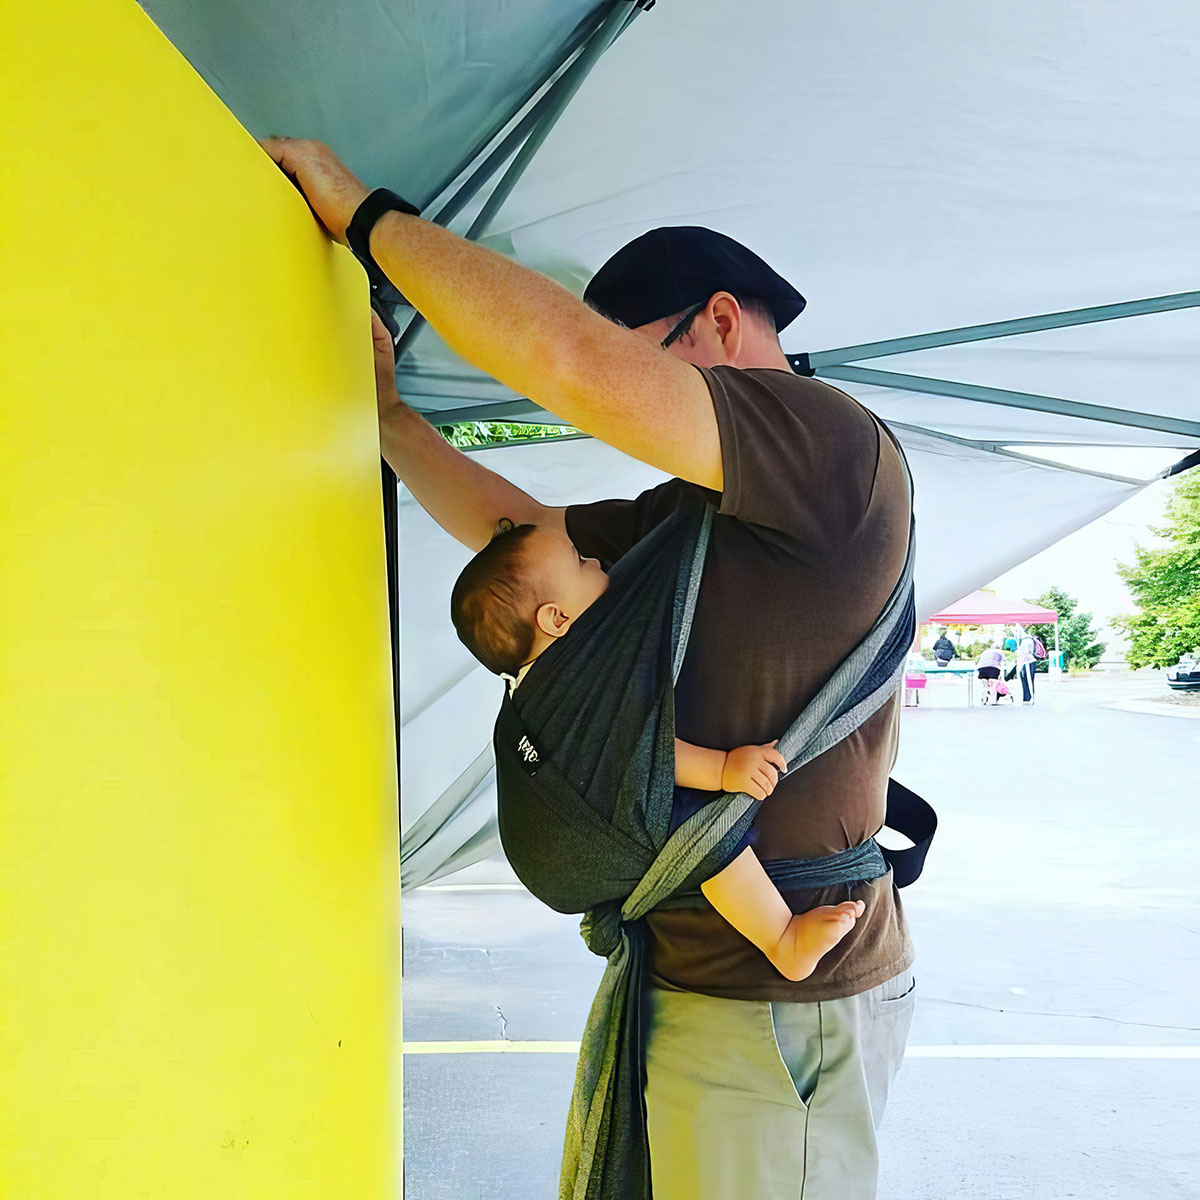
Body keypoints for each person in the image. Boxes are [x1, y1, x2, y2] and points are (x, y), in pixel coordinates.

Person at [262, 137, 916, 1199]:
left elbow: (567, 363)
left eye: (647, 362)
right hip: (702, 977)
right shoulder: (698, 512)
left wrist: (365, 216)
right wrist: (388, 419)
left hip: (779, 1006)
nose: (630, 403)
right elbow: (523, 538)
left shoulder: (824, 441)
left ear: (717, 318)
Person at [450, 516, 866, 981]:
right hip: (580, 838)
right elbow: (641, 754)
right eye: (580, 560)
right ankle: (781, 938)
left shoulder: (533, 688)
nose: (594, 559)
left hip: (550, 846)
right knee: (695, 826)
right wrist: (724, 769)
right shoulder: (580, 678)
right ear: (557, 618)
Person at [1016, 625, 1038, 704]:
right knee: (1026, 680)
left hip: (1027, 662)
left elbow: (1026, 653)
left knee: (1027, 680)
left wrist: (1020, 664)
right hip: (1027, 662)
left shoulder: (1026, 641)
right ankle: (1027, 698)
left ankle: (1029, 697)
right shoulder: (1028, 640)